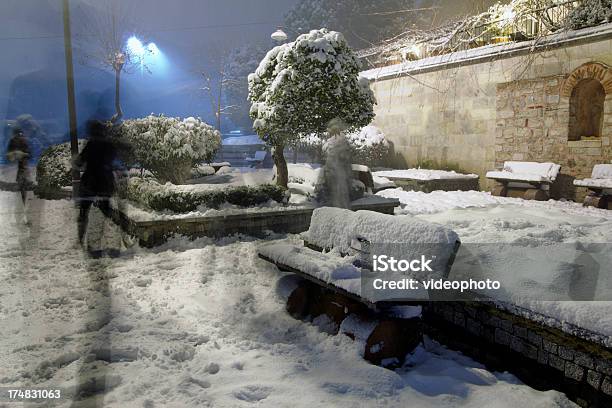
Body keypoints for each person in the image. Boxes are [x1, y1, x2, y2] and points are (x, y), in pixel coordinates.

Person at [75, 120, 118, 252]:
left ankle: (82, 239)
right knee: (106, 211)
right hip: (105, 182)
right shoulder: (109, 145)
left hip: (90, 183)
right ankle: (113, 238)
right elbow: (113, 159)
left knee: (84, 211)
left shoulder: (91, 144)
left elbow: (79, 162)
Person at [6, 127, 31, 206]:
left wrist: (22, 154)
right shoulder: (14, 141)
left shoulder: (21, 141)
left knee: (22, 179)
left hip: (21, 166)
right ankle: (22, 197)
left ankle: (23, 196)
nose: (18, 136)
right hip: (18, 166)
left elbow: (28, 153)